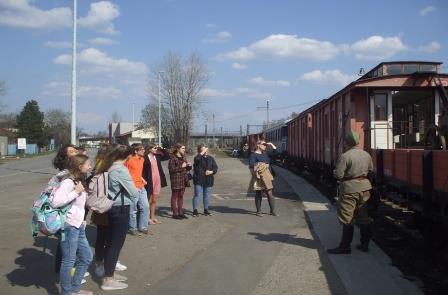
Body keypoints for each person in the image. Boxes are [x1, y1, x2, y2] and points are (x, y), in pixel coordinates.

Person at [51, 154, 93, 295]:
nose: (90, 166)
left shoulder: (77, 180)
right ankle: (67, 292)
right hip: (68, 226)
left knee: (86, 257)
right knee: (68, 261)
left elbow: (77, 205)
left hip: (77, 225)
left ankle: (74, 289)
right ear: (80, 166)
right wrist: (76, 192)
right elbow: (56, 202)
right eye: (88, 164)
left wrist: (81, 219)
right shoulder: (68, 182)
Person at [327, 131, 374, 254]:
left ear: (347, 142)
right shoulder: (366, 155)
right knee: (364, 218)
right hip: (365, 188)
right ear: (358, 142)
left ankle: (345, 246)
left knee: (347, 218)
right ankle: (365, 245)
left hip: (350, 189)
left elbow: (338, 175)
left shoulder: (345, 156)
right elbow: (370, 170)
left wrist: (335, 172)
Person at [101, 144, 139, 291]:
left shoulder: (109, 166)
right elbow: (134, 192)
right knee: (115, 244)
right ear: (127, 156)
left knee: (111, 242)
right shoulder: (121, 170)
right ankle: (108, 280)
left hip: (112, 206)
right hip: (120, 208)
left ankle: (110, 273)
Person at [90, 145, 127, 278]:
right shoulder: (101, 168)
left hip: (112, 206)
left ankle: (111, 261)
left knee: (112, 238)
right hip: (103, 207)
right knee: (102, 237)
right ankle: (99, 263)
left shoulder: (112, 167)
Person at [124, 143, 150, 235]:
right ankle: (132, 228)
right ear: (136, 151)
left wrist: (142, 178)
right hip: (132, 187)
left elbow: (137, 172)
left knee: (145, 207)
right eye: (141, 149)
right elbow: (124, 172)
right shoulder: (129, 160)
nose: (144, 151)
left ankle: (143, 227)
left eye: (144, 149)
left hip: (141, 186)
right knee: (133, 209)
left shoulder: (142, 159)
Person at [142, 144, 170, 225]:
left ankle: (153, 217)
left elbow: (167, 156)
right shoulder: (145, 157)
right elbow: (143, 171)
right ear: (150, 149)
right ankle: (146, 218)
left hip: (158, 180)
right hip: (150, 181)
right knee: (148, 200)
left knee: (154, 200)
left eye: (156, 148)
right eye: (154, 148)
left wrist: (162, 148)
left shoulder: (157, 156)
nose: (156, 149)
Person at [248, 140, 277, 217]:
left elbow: (275, 153)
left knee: (270, 193)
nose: (265, 145)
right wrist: (263, 166)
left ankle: (272, 211)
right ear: (258, 145)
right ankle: (258, 211)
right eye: (263, 144)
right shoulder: (253, 155)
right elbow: (251, 165)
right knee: (258, 194)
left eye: (265, 144)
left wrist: (271, 144)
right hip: (259, 176)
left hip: (268, 175)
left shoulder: (265, 154)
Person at [192, 144, 218, 217]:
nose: (205, 150)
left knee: (207, 195)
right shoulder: (198, 157)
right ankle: (195, 210)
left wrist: (211, 172)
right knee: (197, 194)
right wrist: (202, 152)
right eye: (203, 149)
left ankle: (206, 210)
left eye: (206, 149)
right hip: (198, 178)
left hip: (208, 179)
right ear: (200, 150)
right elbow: (196, 159)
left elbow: (215, 168)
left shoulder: (211, 158)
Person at [168, 143, 192, 219]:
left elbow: (185, 168)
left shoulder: (183, 157)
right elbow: (172, 170)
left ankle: (180, 212)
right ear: (178, 149)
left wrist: (189, 166)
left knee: (181, 196)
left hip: (183, 179)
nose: (184, 150)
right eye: (183, 148)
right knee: (174, 196)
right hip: (176, 180)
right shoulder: (172, 158)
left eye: (184, 148)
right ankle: (175, 214)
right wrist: (182, 166)